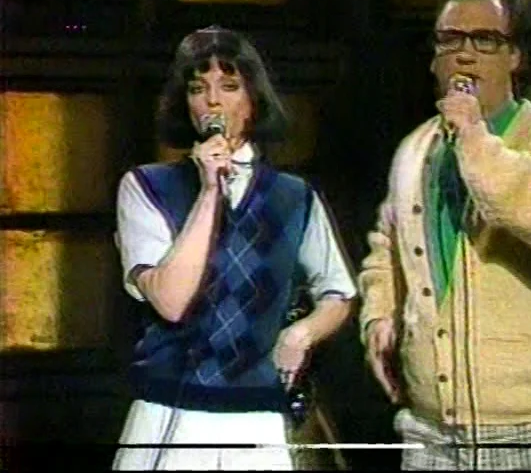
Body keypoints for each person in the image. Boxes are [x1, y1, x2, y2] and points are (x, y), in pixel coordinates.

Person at [358, 0, 531, 470]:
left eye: (485, 40)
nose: (465, 54)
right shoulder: (414, 149)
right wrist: (379, 314)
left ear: (514, 56)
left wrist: (475, 142)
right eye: (450, 39)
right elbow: (387, 245)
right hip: (430, 431)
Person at [112, 25, 357, 471]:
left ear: (252, 99)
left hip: (257, 419)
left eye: (228, 86)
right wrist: (209, 190)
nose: (212, 102)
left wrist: (301, 334)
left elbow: (339, 291)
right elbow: (170, 300)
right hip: (170, 414)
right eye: (197, 89)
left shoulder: (294, 197)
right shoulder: (147, 187)